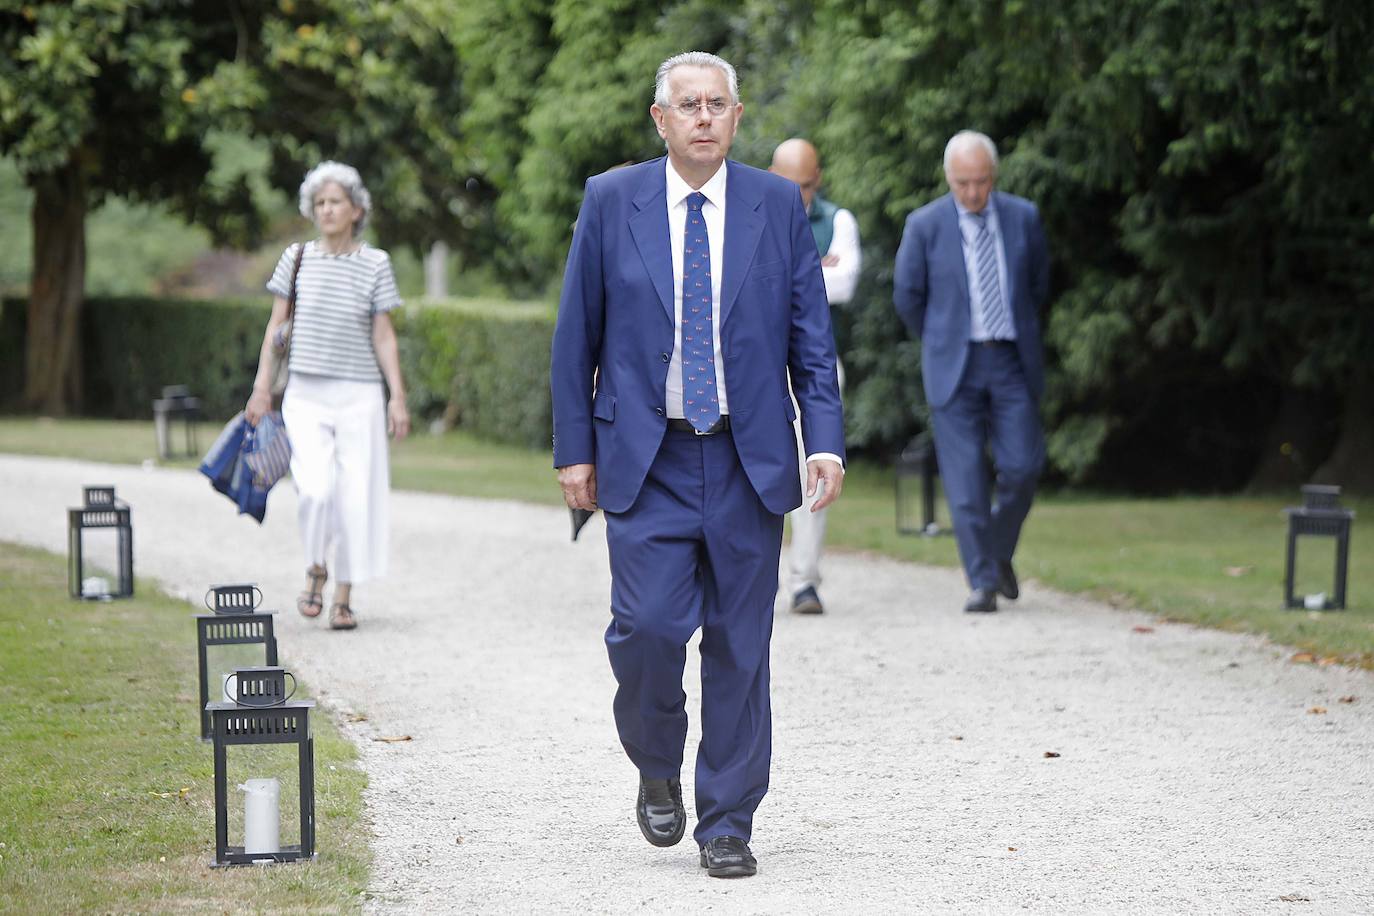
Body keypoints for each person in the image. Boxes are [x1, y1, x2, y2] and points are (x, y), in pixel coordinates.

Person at [550, 51, 845, 878]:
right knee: (645, 630)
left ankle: (727, 821)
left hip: (750, 460)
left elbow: (810, 342)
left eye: (718, 104)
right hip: (647, 459)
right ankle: (655, 759)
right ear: (661, 120)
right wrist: (574, 451)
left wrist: (822, 438)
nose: (705, 117)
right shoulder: (613, 202)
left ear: (737, 117)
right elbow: (576, 337)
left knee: (741, 646)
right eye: (689, 105)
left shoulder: (776, 205)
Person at [244, 161, 410, 631]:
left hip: (359, 394)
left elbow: (384, 336)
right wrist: (261, 388)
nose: (326, 210)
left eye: (335, 201)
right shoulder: (296, 258)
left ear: (356, 209)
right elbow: (276, 327)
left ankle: (343, 596)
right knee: (315, 491)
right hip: (306, 393)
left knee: (355, 497)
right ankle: (316, 566)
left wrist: (397, 396)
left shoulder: (375, 263)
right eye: (319, 203)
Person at [893, 130, 1048, 614]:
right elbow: (907, 297)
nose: (973, 193)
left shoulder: (1023, 217)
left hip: (1008, 359)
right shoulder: (925, 225)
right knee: (964, 484)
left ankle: (997, 552)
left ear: (994, 177)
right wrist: (941, 338)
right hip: (953, 364)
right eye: (963, 183)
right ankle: (982, 582)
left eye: (981, 182)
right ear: (948, 178)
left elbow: (1038, 286)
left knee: (1023, 468)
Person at [768, 138, 861, 615]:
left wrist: (781, 275)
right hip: (759, 363)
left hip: (817, 361)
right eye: (789, 184)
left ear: (817, 180)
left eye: (805, 186)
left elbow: (843, 284)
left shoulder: (837, 220)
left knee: (819, 463)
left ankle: (805, 579)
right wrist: (810, 270)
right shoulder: (752, 215)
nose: (799, 195)